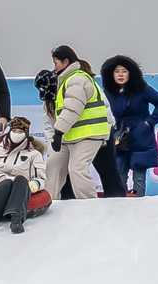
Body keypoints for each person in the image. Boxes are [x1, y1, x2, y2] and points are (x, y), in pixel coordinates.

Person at [44, 46, 111, 200]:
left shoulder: (77, 79)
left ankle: (89, 204)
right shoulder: (68, 80)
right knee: (54, 165)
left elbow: (72, 109)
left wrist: (58, 132)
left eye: (56, 63)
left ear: (66, 61)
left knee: (77, 168)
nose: (54, 68)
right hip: (72, 134)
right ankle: (48, 201)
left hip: (89, 134)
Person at [100, 55, 158, 196]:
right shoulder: (108, 92)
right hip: (119, 135)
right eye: (116, 71)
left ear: (131, 72)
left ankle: (139, 204)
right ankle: (121, 203)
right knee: (120, 173)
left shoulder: (141, 88)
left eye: (124, 71)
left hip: (141, 136)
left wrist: (149, 122)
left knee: (139, 175)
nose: (120, 75)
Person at [0, 116, 47, 235]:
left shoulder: (34, 155)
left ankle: (16, 218)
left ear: (26, 134)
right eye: (14, 131)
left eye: (20, 132)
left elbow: (40, 177)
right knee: (6, 183)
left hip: (20, 187)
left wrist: (35, 184)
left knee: (20, 180)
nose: (17, 134)